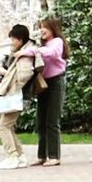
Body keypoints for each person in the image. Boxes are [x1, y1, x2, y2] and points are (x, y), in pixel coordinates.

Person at [0, 23, 38, 169]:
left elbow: (23, 76)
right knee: (8, 127)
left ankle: (12, 156)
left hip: (14, 96)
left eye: (13, 39)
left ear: (20, 39)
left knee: (3, 127)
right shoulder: (22, 53)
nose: (12, 42)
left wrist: (3, 72)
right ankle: (20, 156)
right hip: (14, 95)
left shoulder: (23, 56)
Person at [35, 17, 68, 166]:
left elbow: (53, 53)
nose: (41, 30)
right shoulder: (42, 45)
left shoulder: (57, 42)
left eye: (45, 27)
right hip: (43, 83)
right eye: (40, 27)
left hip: (56, 82)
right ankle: (42, 155)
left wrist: (36, 50)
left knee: (52, 120)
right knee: (41, 120)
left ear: (52, 29)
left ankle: (54, 156)